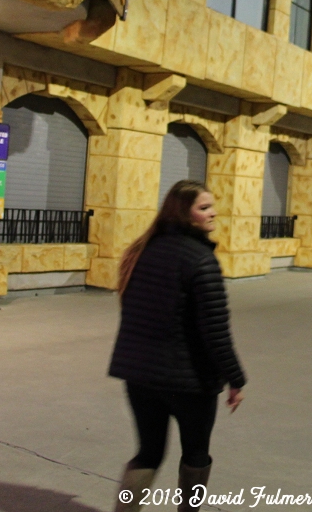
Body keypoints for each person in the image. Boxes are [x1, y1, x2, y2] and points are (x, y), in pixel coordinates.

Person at [108, 180, 247, 512]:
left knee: (149, 452)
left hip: (139, 376)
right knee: (196, 454)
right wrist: (235, 378)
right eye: (203, 208)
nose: (213, 213)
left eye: (212, 206)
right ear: (185, 214)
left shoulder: (141, 251)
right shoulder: (201, 260)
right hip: (189, 382)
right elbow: (215, 331)